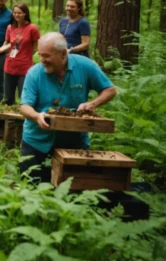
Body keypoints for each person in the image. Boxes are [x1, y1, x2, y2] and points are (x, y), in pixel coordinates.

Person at [18, 32, 116, 181]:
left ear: (63, 54)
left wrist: (92, 103)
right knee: (31, 185)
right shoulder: (34, 73)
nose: (42, 60)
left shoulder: (85, 66)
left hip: (73, 140)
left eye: (46, 56)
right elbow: (25, 106)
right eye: (40, 55)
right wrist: (37, 116)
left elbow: (110, 90)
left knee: (72, 189)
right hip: (37, 140)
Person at [0, 3, 40, 105]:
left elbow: (36, 47)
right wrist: (1, 49)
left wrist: (26, 55)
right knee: (8, 98)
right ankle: (9, 118)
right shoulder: (10, 27)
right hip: (9, 65)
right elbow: (7, 42)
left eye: (19, 13)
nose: (16, 15)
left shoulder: (32, 28)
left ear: (25, 14)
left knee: (24, 96)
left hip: (25, 66)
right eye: (14, 13)